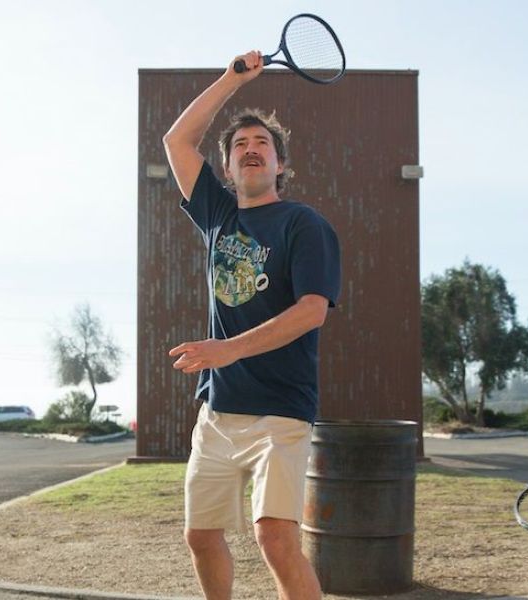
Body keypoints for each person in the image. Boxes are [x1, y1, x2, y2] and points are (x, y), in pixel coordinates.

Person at [162, 51, 341, 600]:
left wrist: (228, 350)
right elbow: (177, 142)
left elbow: (312, 309)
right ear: (231, 168)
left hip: (280, 412)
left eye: (262, 143)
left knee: (275, 539)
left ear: (280, 165)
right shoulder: (219, 214)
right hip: (218, 414)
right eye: (240, 146)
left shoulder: (303, 224)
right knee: (200, 535)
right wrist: (232, 78)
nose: (250, 149)